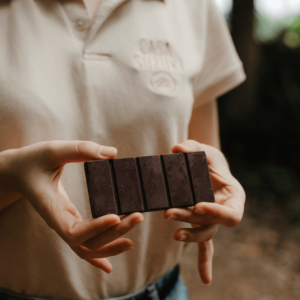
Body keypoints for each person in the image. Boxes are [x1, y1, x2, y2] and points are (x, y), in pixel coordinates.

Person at [0, 0, 246, 299]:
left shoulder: (194, 6)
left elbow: (204, 153)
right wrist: (9, 177)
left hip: (161, 291)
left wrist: (209, 199)